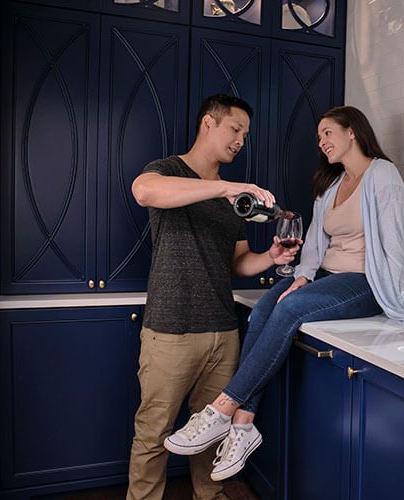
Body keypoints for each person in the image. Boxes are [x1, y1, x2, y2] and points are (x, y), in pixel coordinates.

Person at [163, 105, 404, 481]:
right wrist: (303, 276)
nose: (321, 142)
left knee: (290, 310)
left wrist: (402, 301)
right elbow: (315, 246)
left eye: (327, 133)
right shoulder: (333, 185)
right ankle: (243, 427)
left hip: (364, 282)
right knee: (265, 309)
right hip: (327, 277)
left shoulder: (383, 175)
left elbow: (392, 244)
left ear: (352, 131)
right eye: (319, 136)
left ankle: (222, 408)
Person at [127, 93, 299, 500]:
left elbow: (238, 264)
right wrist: (222, 187)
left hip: (223, 332)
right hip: (170, 330)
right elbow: (144, 192)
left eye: (245, 134)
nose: (241, 140)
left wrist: (270, 258)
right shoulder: (168, 170)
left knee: (211, 437)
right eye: (235, 129)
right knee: (153, 434)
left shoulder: (232, 202)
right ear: (209, 123)